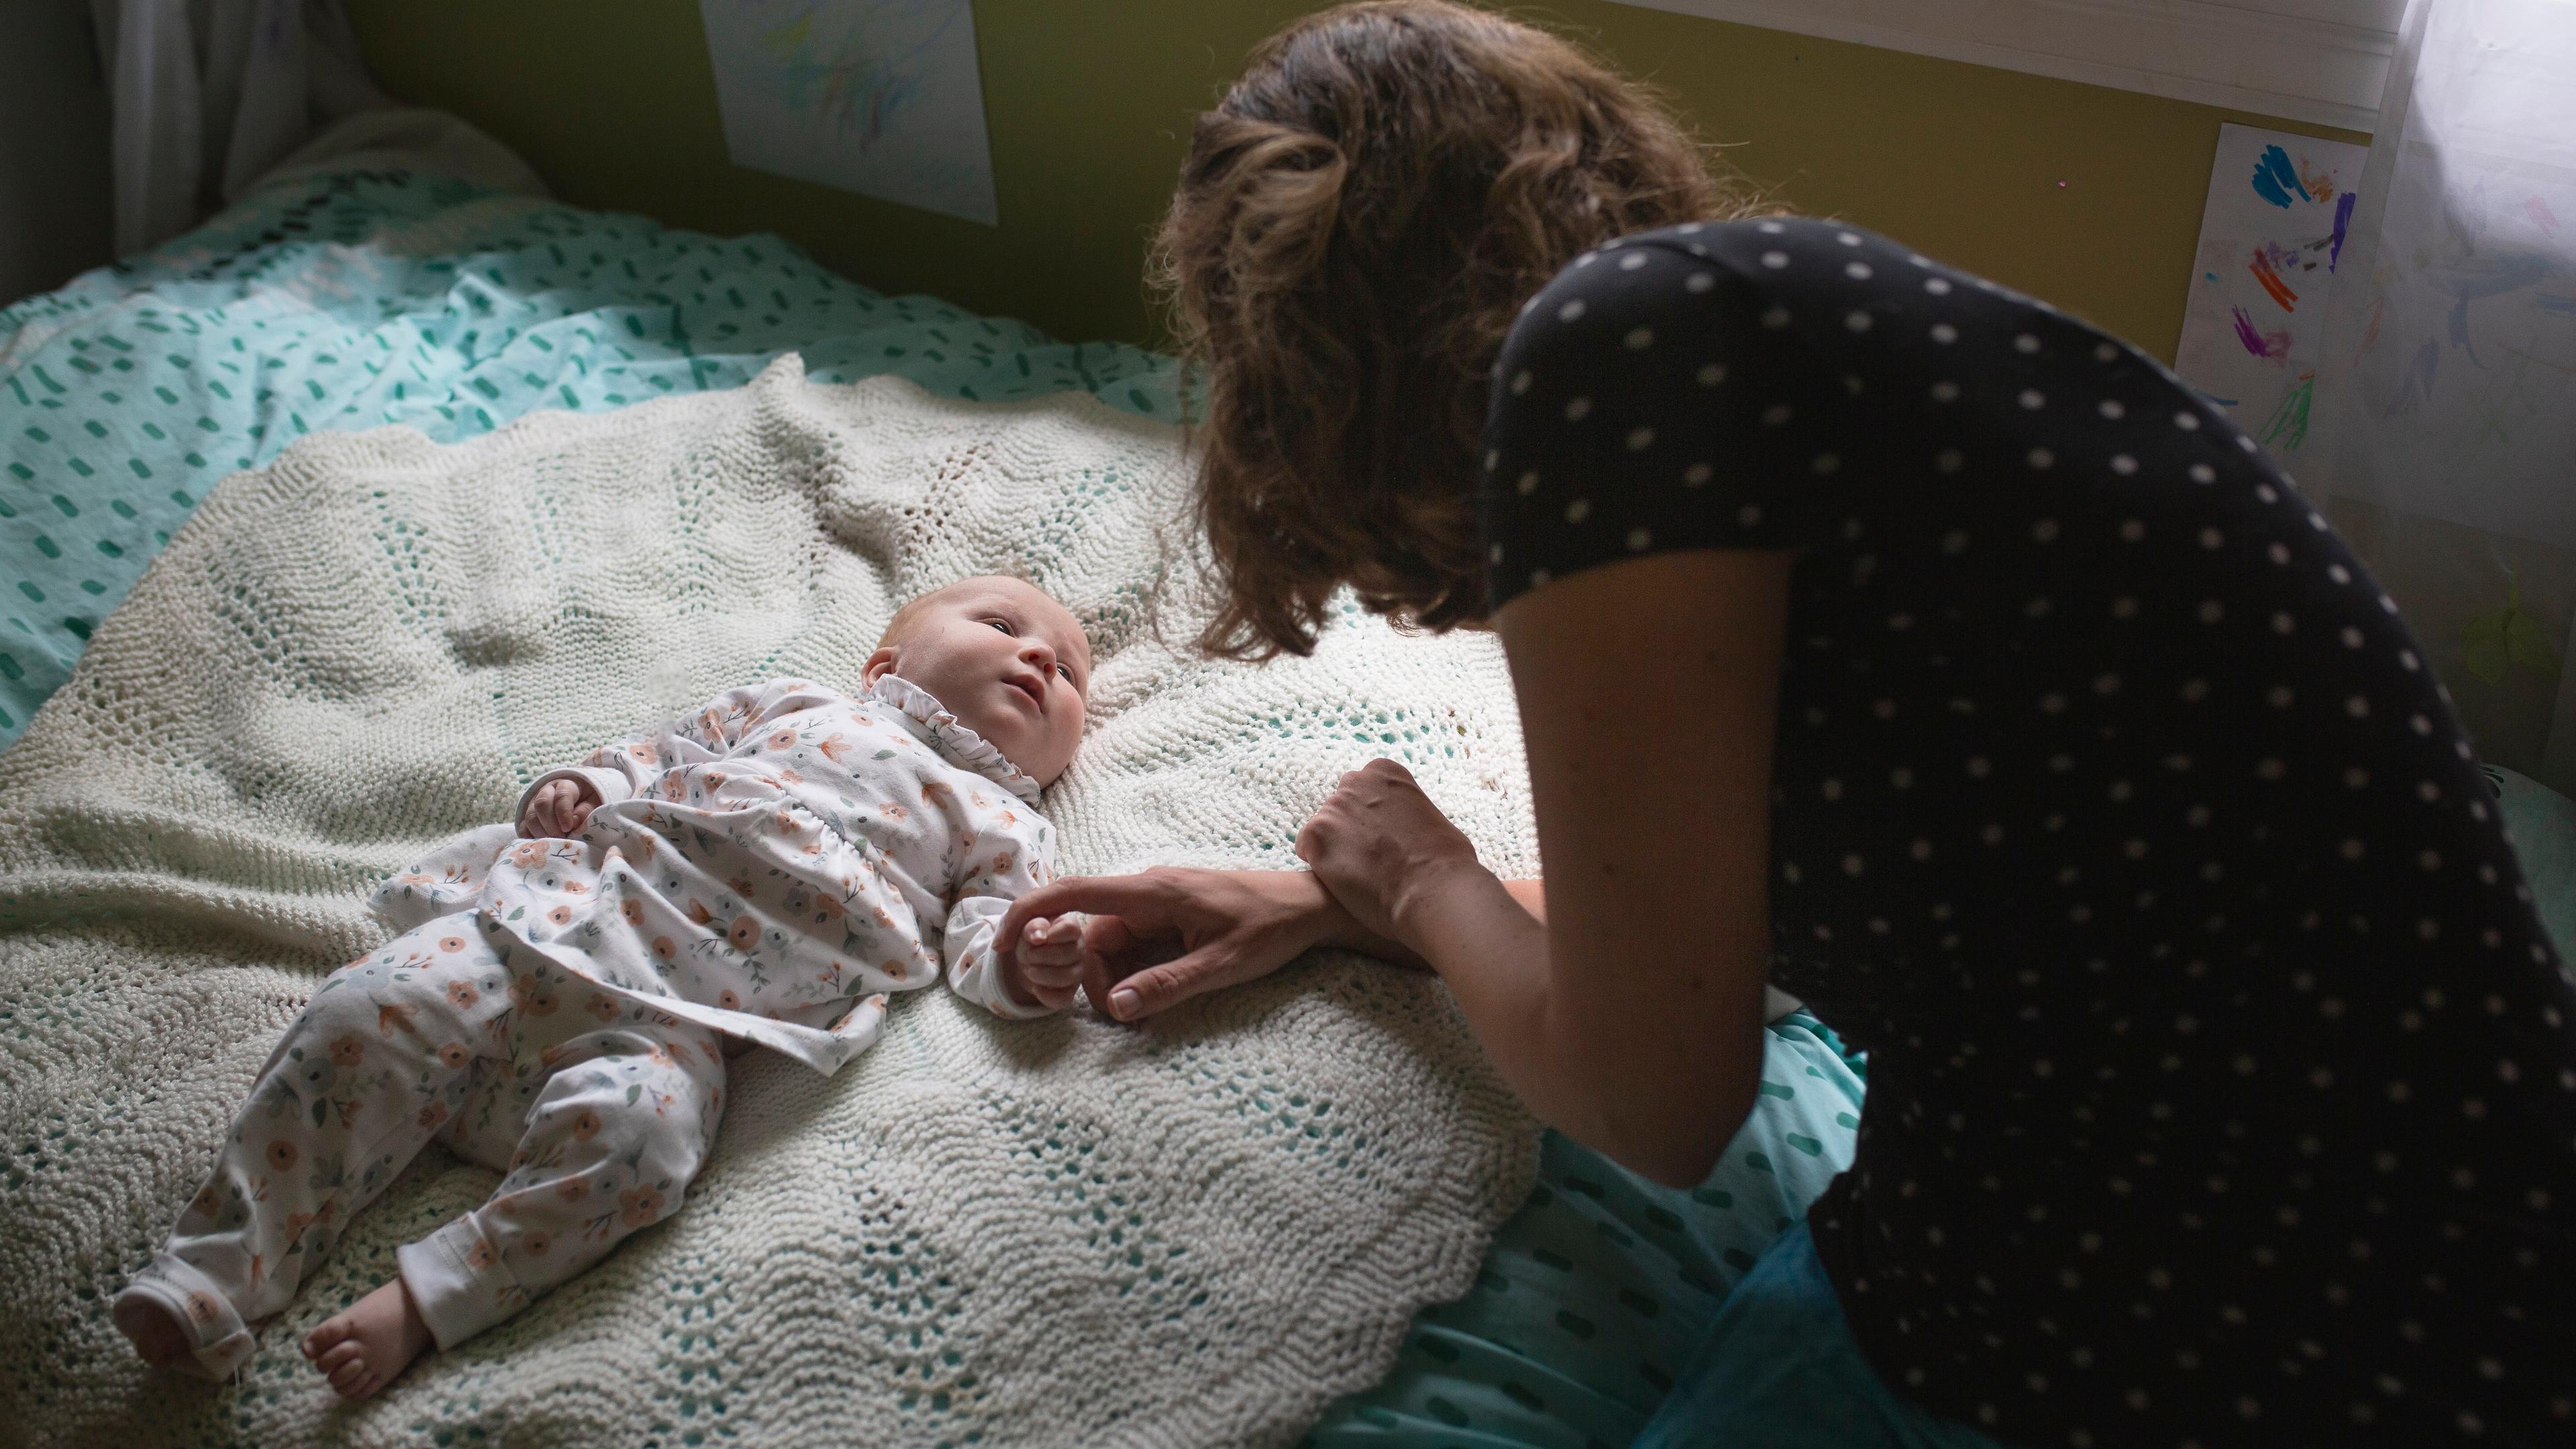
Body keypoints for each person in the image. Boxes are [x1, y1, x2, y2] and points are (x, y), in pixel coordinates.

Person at [996, 4, 2576, 1444]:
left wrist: (1420, 878)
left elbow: (1656, 1099)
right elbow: (1709, 943)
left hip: (2229, 1319)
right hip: (2457, 1192)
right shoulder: (1761, 339)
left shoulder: (1601, 372)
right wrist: (1332, 905)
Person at [115, 576, 1097, 1399]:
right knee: (361, 1014)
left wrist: (1025, 962)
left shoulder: (1005, 821)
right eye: (1005, 627)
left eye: (1070, 674)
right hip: (554, 922)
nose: (1042, 661)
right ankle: (220, 1265)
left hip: (681, 1027)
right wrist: (583, 789)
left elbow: (983, 941)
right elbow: (659, 753)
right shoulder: (802, 704)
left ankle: (438, 1293)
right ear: (885, 666)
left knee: (646, 1148)